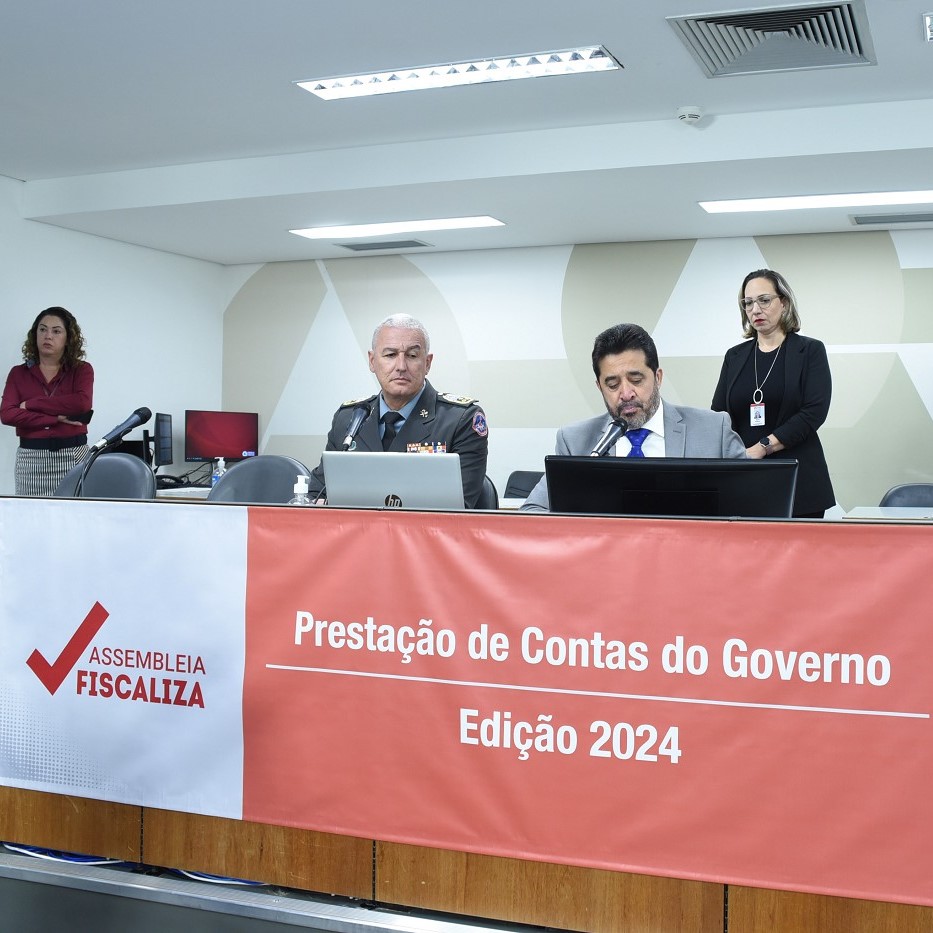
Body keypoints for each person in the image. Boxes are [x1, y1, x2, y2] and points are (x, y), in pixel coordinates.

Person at [522, 323, 745, 512]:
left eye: (636, 380)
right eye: (612, 384)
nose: (626, 393)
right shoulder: (575, 442)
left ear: (658, 377)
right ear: (599, 387)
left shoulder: (713, 430)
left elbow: (752, 506)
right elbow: (532, 511)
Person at [307, 314, 489, 508]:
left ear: (427, 363)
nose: (401, 366)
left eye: (412, 356)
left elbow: (460, 507)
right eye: (390, 355)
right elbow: (318, 493)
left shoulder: (460, 420)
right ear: (372, 361)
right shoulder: (349, 418)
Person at [712, 269, 834, 518]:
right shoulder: (734, 356)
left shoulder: (809, 350)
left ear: (784, 303)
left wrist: (762, 448)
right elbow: (719, 415)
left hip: (799, 480)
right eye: (748, 303)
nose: (755, 310)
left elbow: (813, 412)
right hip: (745, 480)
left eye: (764, 300)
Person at [1, 307, 94, 496]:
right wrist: (55, 418)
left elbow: (82, 403)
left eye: (56, 331)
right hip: (31, 459)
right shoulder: (18, 373)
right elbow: (7, 414)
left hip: (73, 456)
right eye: (42, 329)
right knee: (31, 513)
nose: (48, 336)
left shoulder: (81, 370)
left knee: (76, 512)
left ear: (68, 338)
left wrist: (31, 404)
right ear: (35, 334)